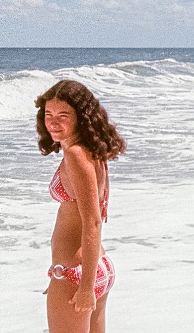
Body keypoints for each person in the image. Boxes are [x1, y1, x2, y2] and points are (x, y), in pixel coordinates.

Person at [35, 80, 126, 333]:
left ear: (81, 117)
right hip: (96, 266)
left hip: (76, 273)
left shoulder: (76, 155)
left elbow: (94, 221)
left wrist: (84, 287)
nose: (53, 122)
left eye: (63, 115)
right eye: (48, 114)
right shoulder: (92, 152)